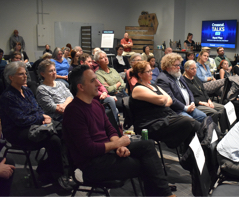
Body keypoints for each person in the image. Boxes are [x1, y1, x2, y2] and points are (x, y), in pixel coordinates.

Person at [62, 65, 174, 196]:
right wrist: (117, 145)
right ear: (80, 87)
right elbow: (88, 149)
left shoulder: (95, 103)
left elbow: (110, 129)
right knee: (145, 164)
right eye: (93, 81)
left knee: (147, 145)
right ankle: (164, 193)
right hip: (92, 164)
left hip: (107, 152)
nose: (98, 83)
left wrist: (117, 146)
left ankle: (162, 193)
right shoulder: (74, 112)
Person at [0, 61, 67, 188]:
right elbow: (21, 120)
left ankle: (48, 170)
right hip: (17, 132)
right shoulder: (7, 97)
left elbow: (37, 108)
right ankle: (56, 174)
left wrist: (43, 116)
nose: (26, 76)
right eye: (21, 74)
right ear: (11, 77)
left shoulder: (27, 91)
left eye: (25, 73)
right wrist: (41, 117)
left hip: (34, 125)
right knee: (54, 140)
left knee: (65, 133)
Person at [129, 60, 200, 148]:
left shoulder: (154, 86)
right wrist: (162, 100)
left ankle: (192, 155)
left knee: (190, 129)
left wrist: (162, 100)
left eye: (151, 70)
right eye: (148, 71)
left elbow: (169, 100)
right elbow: (162, 100)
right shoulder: (138, 89)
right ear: (140, 74)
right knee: (188, 121)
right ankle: (207, 140)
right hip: (151, 124)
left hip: (165, 118)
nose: (152, 73)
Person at [156, 53, 207, 123]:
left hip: (189, 107)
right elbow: (171, 99)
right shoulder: (162, 79)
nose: (179, 67)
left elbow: (189, 91)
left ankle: (201, 134)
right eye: (176, 65)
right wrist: (185, 108)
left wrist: (192, 102)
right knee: (190, 122)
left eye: (179, 65)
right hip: (176, 110)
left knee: (203, 116)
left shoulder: (178, 75)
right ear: (168, 66)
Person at [183, 60, 227, 131]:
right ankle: (214, 133)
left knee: (224, 108)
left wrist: (209, 100)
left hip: (206, 101)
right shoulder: (184, 81)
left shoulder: (195, 78)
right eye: (192, 69)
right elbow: (189, 97)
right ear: (186, 69)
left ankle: (223, 131)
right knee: (214, 113)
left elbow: (204, 91)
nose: (195, 70)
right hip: (197, 104)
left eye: (195, 68)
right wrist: (203, 103)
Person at [80, 53, 119, 122]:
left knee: (114, 108)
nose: (91, 64)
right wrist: (104, 94)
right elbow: (90, 90)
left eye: (91, 61)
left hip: (100, 96)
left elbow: (100, 85)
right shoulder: (81, 75)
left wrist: (104, 92)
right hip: (91, 98)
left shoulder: (90, 72)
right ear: (82, 62)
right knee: (111, 101)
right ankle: (114, 126)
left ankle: (113, 126)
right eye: (89, 62)